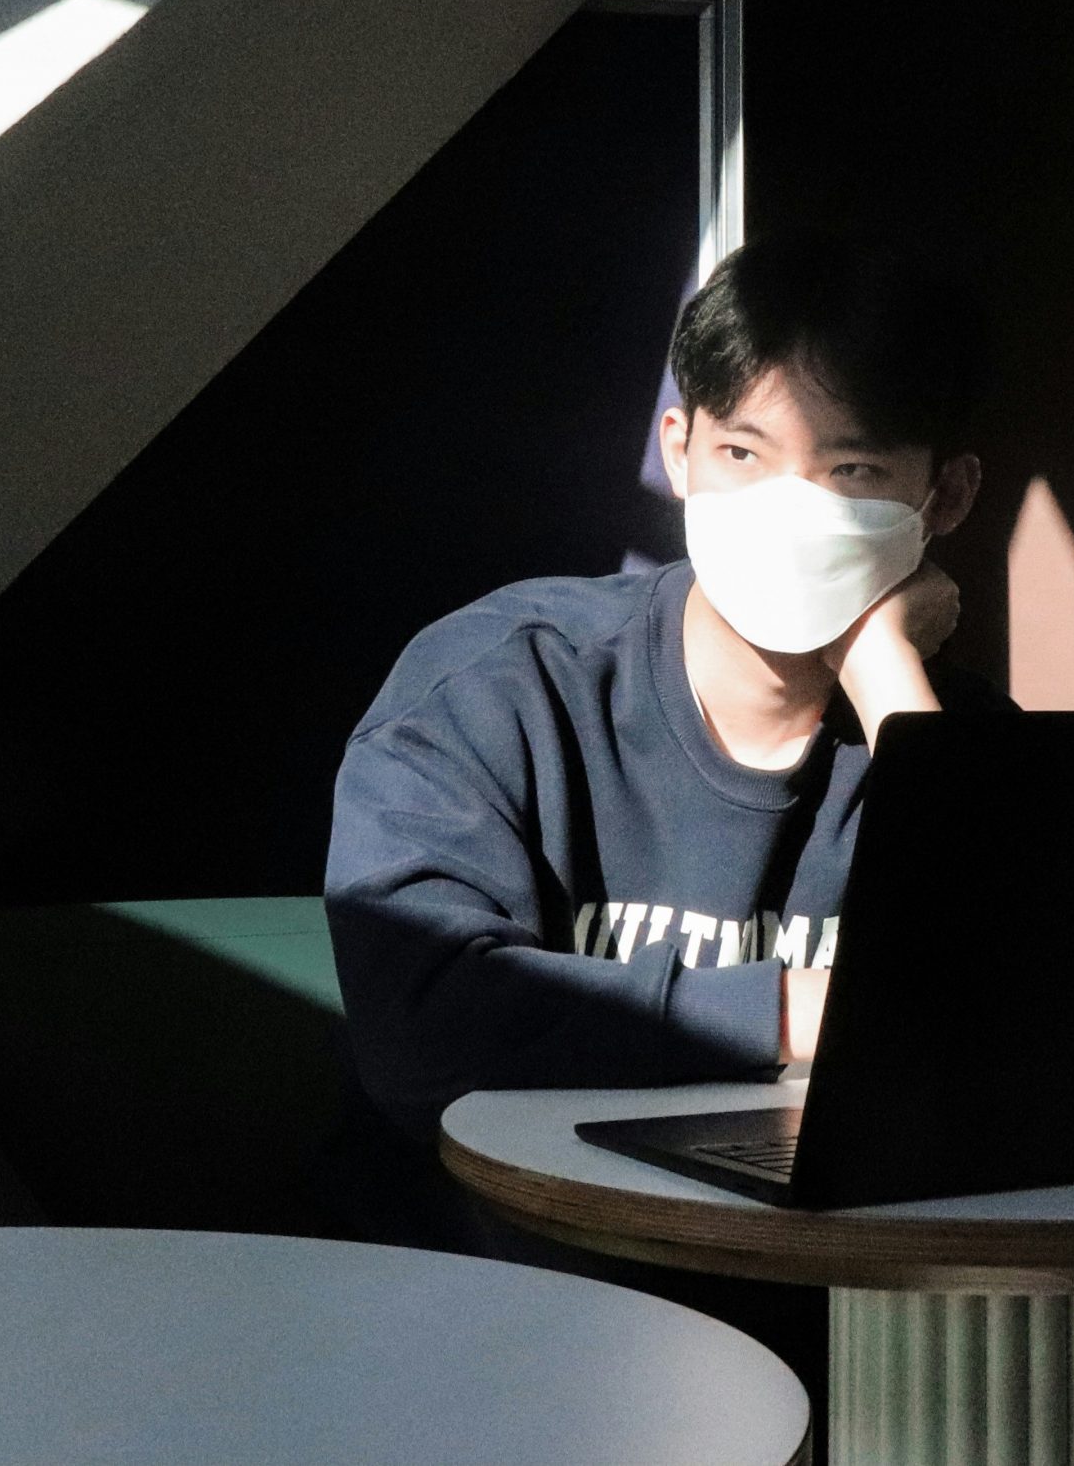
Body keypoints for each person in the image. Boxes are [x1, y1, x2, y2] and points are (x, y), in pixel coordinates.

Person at [320, 231, 1010, 1385]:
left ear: (942, 495)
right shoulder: (498, 682)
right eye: (743, 450)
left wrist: (887, 676)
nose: (790, 510)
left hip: (833, 1338)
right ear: (677, 449)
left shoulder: (947, 740)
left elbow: (1039, 1031)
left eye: (850, 472)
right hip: (467, 1331)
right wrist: (802, 1009)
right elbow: (425, 1018)